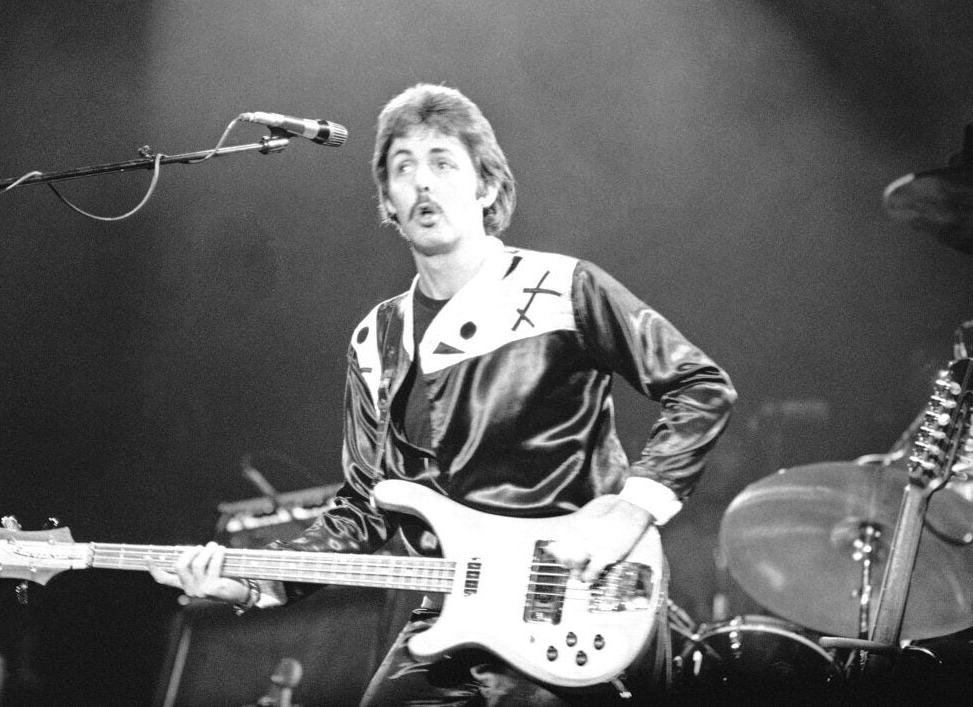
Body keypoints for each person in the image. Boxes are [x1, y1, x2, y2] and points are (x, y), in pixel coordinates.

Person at [149, 83, 736, 705]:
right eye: (404, 168)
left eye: (443, 163)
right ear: (389, 203)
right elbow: (365, 506)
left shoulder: (562, 287)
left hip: (578, 601)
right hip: (453, 614)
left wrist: (630, 510)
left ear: (486, 187)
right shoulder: (376, 339)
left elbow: (700, 386)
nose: (422, 182)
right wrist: (250, 582)